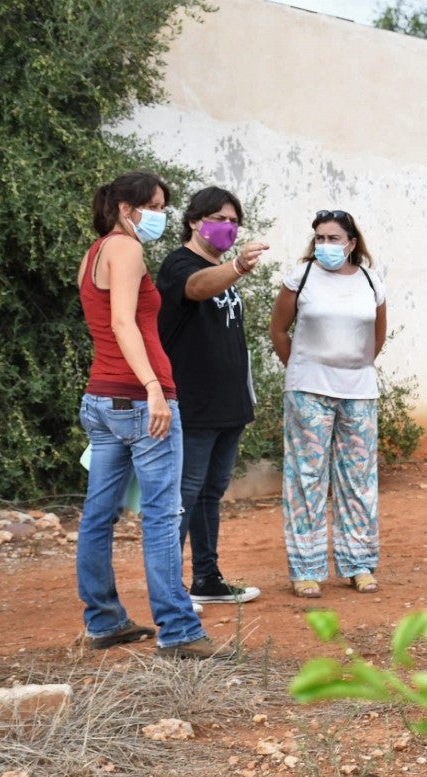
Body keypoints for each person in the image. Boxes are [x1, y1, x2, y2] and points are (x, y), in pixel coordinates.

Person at [75, 170, 232, 659]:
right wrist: (153, 388)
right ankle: (180, 631)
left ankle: (103, 620)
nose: (161, 216)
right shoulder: (125, 249)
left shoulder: (94, 252)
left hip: (101, 400)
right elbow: (124, 320)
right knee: (163, 514)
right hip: (140, 400)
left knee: (99, 515)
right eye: (157, 207)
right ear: (128, 208)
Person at [156, 187, 269, 607]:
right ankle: (169, 590)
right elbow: (197, 288)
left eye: (234, 221)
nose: (228, 228)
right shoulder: (180, 265)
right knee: (183, 496)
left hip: (228, 406)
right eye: (220, 219)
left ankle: (206, 578)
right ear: (193, 221)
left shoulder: (222, 269)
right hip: (194, 403)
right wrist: (239, 266)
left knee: (210, 493)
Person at [269, 210, 387, 599]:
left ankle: (359, 564)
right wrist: (302, 370)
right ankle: (305, 568)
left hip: (359, 390)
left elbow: (376, 337)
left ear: (351, 243)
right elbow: (279, 329)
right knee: (306, 478)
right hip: (308, 390)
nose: (325, 245)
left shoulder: (371, 281)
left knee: (359, 479)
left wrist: (352, 367)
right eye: (319, 238)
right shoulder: (301, 277)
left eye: (333, 239)